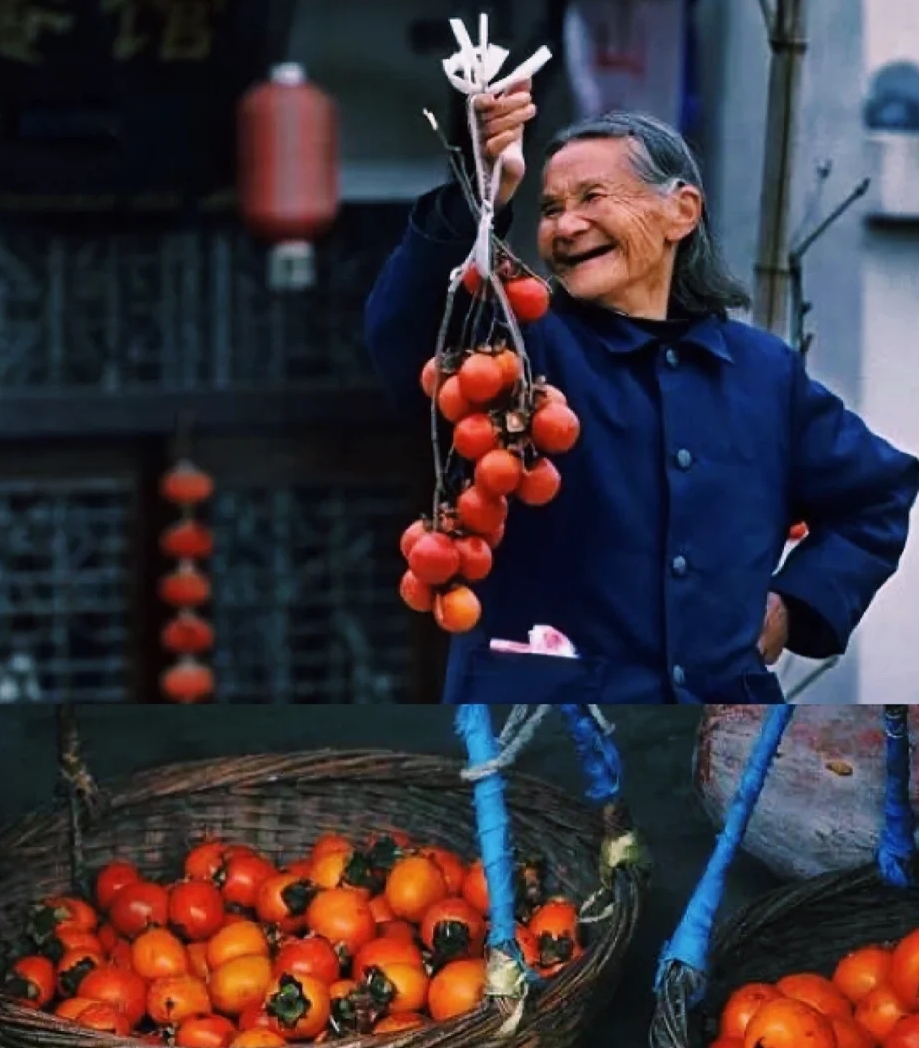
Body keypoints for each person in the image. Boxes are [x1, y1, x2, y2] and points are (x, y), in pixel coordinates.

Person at [364, 86, 919, 703]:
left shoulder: (762, 375)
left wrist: (795, 604)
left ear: (681, 211)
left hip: (719, 727)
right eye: (549, 209)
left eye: (593, 198)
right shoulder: (519, 350)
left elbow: (877, 495)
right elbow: (406, 331)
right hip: (543, 725)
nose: (566, 226)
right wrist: (480, 193)